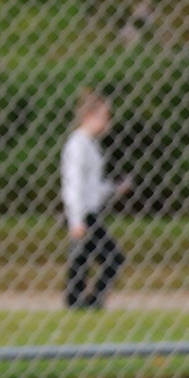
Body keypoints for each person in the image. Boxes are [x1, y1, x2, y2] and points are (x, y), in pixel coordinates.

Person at [62, 88, 130, 311]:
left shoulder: (91, 145)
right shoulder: (78, 145)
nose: (107, 122)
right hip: (83, 213)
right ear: (89, 117)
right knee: (111, 258)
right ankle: (87, 302)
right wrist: (76, 220)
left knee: (83, 259)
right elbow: (73, 185)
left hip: (90, 210)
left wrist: (112, 188)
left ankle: (79, 302)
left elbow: (92, 187)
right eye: (104, 116)